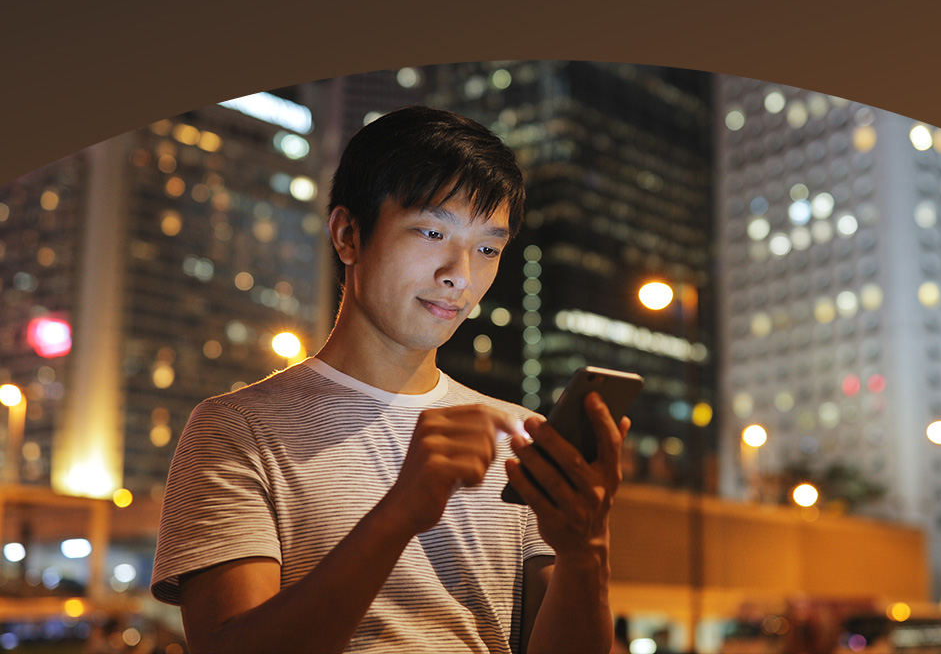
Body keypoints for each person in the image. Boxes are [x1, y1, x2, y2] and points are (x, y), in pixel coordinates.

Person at [151, 105, 630, 653]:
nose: (460, 274)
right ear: (349, 234)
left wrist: (586, 548)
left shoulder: (519, 437)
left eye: (488, 249)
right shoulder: (237, 429)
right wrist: (400, 512)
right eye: (432, 231)